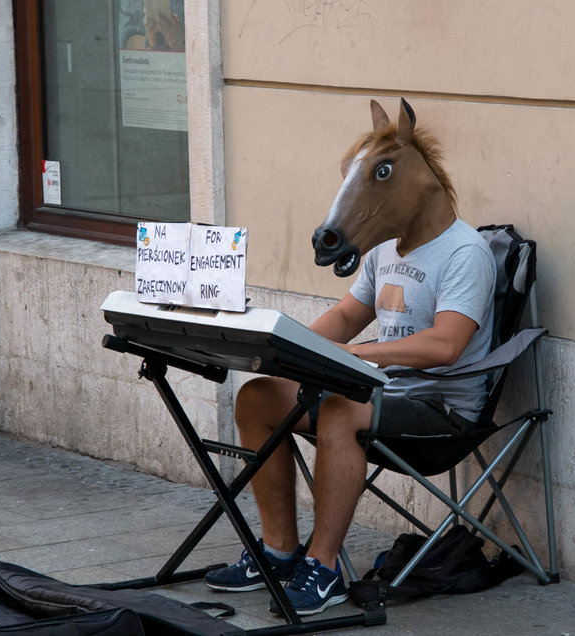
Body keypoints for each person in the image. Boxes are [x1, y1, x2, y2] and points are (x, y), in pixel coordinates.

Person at [205, 113, 496, 616]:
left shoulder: (465, 252)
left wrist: (354, 357)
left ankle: (324, 571)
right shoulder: (385, 248)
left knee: (343, 407)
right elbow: (346, 316)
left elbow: (446, 345)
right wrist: (288, 350)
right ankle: (277, 552)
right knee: (257, 396)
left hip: (441, 413)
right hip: (378, 393)